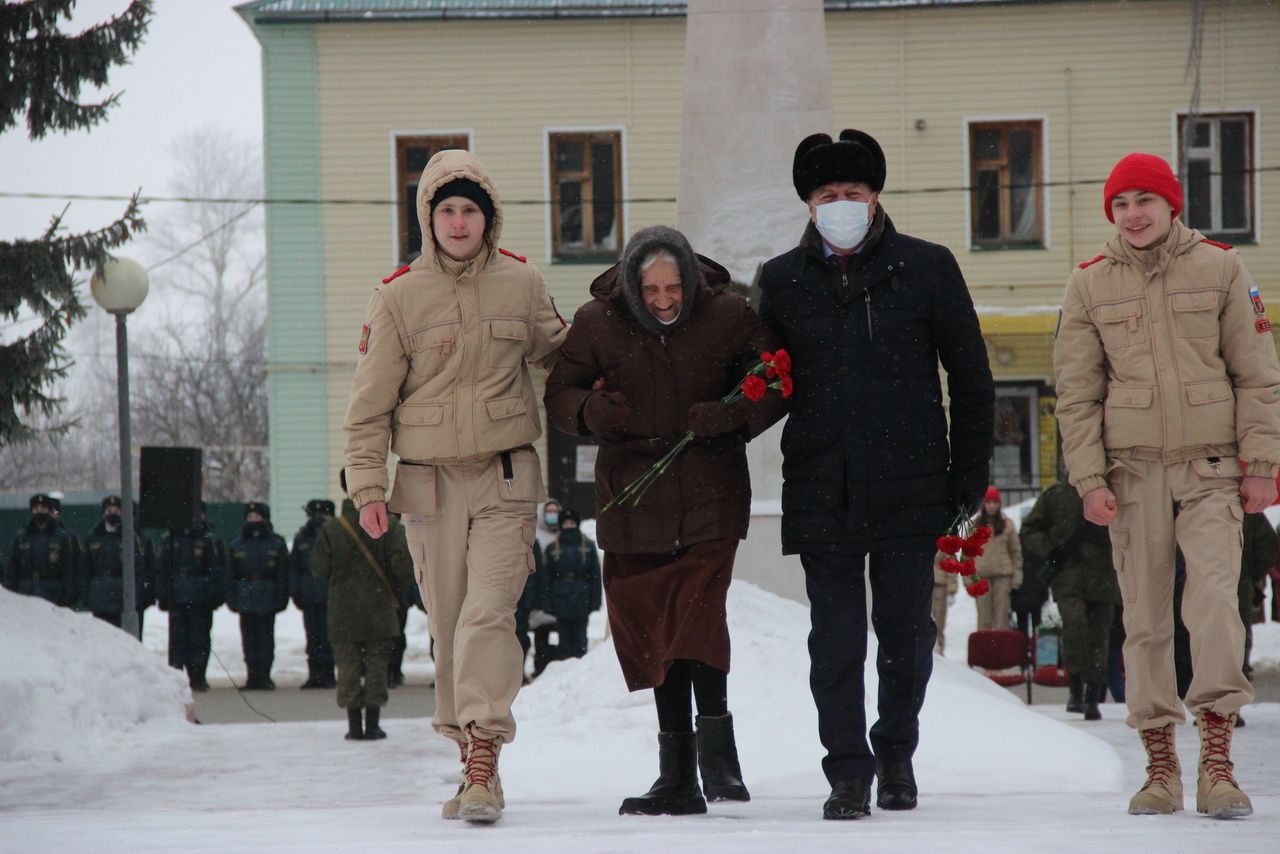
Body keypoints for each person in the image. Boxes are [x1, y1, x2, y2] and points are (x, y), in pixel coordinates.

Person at [757, 129, 994, 820]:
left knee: (905, 633)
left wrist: (968, 475)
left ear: (875, 197)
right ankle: (847, 771)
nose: (841, 205)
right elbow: (760, 379)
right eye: (827, 196)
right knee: (833, 640)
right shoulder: (780, 280)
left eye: (852, 194)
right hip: (820, 483)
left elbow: (972, 378)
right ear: (808, 206)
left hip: (911, 479)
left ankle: (895, 756)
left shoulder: (926, 267)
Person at [343, 148, 566, 824]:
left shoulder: (522, 285)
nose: (460, 221)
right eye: (448, 209)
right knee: (448, 626)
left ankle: (484, 758)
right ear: (429, 218)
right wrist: (367, 489)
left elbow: (566, 359)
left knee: (488, 613)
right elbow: (369, 405)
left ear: (488, 216)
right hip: (428, 489)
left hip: (504, 479)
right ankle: (471, 751)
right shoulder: (399, 296)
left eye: (471, 209)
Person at [1054, 152, 1280, 818]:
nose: (1133, 215)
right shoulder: (1089, 283)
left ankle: (1217, 759)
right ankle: (1159, 766)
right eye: (1121, 204)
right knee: (1144, 619)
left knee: (1213, 603)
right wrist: (1089, 479)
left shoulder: (1221, 267)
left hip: (1212, 468)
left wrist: (1262, 465)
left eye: (1144, 201)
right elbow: (1076, 394)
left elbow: (1258, 375)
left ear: (1171, 204)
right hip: (1131, 474)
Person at [545, 224, 786, 817]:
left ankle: (714, 755)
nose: (662, 300)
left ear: (689, 278)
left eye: (672, 286)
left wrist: (732, 417)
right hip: (633, 497)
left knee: (696, 619)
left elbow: (775, 379)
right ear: (631, 283)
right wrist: (590, 410)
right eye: (650, 289)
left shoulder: (728, 314)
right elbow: (559, 394)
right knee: (654, 631)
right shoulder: (597, 322)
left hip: (709, 490)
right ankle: (681, 773)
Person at [311, 470, 415, 741]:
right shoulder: (390, 525)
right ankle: (373, 724)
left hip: (343, 613)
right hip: (380, 610)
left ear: (344, 488)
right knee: (377, 667)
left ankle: (354, 726)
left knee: (347, 667)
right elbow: (404, 568)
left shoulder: (332, 528)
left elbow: (319, 569)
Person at [1018, 480, 1117, 720]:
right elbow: (1030, 529)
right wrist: (1051, 551)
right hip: (1068, 575)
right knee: (1075, 624)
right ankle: (1075, 686)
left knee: (1099, 635)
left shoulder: (1111, 492)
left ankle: (1093, 695)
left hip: (1103, 574)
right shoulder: (1056, 495)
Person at [156, 504, 226, 692]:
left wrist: (213, 595)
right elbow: (162, 569)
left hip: (200, 598)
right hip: (177, 595)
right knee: (177, 639)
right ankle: (176, 676)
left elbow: (217, 570)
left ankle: (198, 677)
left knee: (199, 638)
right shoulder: (170, 539)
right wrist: (163, 594)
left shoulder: (209, 540)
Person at [224, 502, 290, 690]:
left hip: (267, 595)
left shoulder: (276, 543)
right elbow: (230, 574)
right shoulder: (237, 543)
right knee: (249, 640)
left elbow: (283, 574)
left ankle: (264, 676)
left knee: (265, 640)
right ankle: (252, 676)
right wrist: (231, 598)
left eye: (257, 517)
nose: (253, 521)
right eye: (250, 517)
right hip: (245, 595)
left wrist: (281, 598)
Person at [536, 507, 601, 662]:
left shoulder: (588, 546)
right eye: (566, 523)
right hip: (561, 599)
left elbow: (595, 576)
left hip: (581, 598)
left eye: (572, 523)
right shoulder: (553, 549)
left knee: (580, 639)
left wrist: (595, 600)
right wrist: (547, 602)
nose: (569, 526)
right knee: (564, 640)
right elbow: (546, 578)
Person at [81, 496, 154, 631]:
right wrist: (88, 595)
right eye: (109, 511)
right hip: (100, 596)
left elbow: (139, 570)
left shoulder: (130, 537)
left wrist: (138, 596)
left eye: (116, 510)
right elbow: (85, 568)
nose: (112, 514)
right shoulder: (93, 538)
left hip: (123, 597)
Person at [292, 499, 337, 689]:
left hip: (330, 592)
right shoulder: (303, 536)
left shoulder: (336, 535)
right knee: (312, 637)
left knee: (329, 637)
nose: (318, 519)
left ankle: (327, 674)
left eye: (323, 515)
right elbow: (294, 567)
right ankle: (314, 674)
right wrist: (296, 592)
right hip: (309, 592)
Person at [4, 493, 78, 607]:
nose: (39, 512)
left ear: (48, 510)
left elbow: (67, 569)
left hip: (52, 594)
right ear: (31, 511)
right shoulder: (21, 537)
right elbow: (13, 568)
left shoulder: (60, 537)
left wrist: (67, 595)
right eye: (36, 508)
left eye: (43, 508)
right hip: (26, 593)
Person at [519, 499, 562, 678]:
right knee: (533, 637)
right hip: (532, 595)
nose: (553, 515)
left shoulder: (564, 535)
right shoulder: (535, 537)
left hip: (558, 595)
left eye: (555, 511)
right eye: (549, 511)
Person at [971, 487, 1022, 632]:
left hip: (1003, 577)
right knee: (984, 621)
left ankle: (1002, 652)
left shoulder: (1007, 524)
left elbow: (1016, 553)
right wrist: (968, 580)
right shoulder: (975, 525)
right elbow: (967, 554)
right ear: (983, 504)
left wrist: (1016, 578)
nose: (992, 506)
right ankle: (985, 653)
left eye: (995, 502)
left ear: (999, 504)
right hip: (981, 578)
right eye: (988, 502)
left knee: (1002, 620)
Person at [930, 551, 958, 655]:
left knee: (938, 621)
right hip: (922, 584)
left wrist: (952, 589)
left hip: (939, 586)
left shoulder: (943, 541)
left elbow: (951, 565)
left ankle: (939, 651)